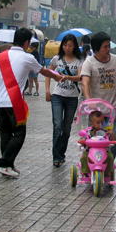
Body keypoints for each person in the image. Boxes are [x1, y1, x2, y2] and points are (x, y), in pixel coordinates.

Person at [0, 28, 62, 178]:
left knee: (5, 135)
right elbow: (43, 71)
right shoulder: (27, 57)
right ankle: (3, 163)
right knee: (19, 134)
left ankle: (8, 165)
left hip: (0, 102)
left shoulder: (1, 56)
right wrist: (57, 76)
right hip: (14, 101)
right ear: (27, 42)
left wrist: (0, 84)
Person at [81, 32, 116, 158]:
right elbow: (85, 83)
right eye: (105, 47)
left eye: (109, 46)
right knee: (94, 137)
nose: (108, 49)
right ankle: (94, 162)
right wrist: (89, 101)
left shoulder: (115, 60)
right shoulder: (89, 63)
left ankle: (109, 163)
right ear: (96, 48)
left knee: (113, 136)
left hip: (112, 107)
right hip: (96, 110)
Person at [46, 34, 84, 167]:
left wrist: (67, 77)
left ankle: (61, 153)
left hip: (72, 98)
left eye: (70, 46)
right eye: (65, 45)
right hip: (57, 95)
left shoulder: (79, 61)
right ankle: (56, 157)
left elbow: (80, 77)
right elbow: (48, 73)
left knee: (66, 129)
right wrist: (47, 91)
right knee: (57, 126)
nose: (67, 48)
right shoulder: (57, 59)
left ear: (75, 47)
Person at [79, 110, 116, 178]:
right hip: (90, 150)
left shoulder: (105, 132)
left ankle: (108, 172)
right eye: (98, 123)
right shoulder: (89, 131)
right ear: (92, 124)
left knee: (110, 156)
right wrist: (83, 140)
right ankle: (85, 172)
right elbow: (84, 137)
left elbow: (113, 140)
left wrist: (111, 133)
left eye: (102, 122)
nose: (100, 125)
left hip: (104, 150)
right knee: (84, 157)